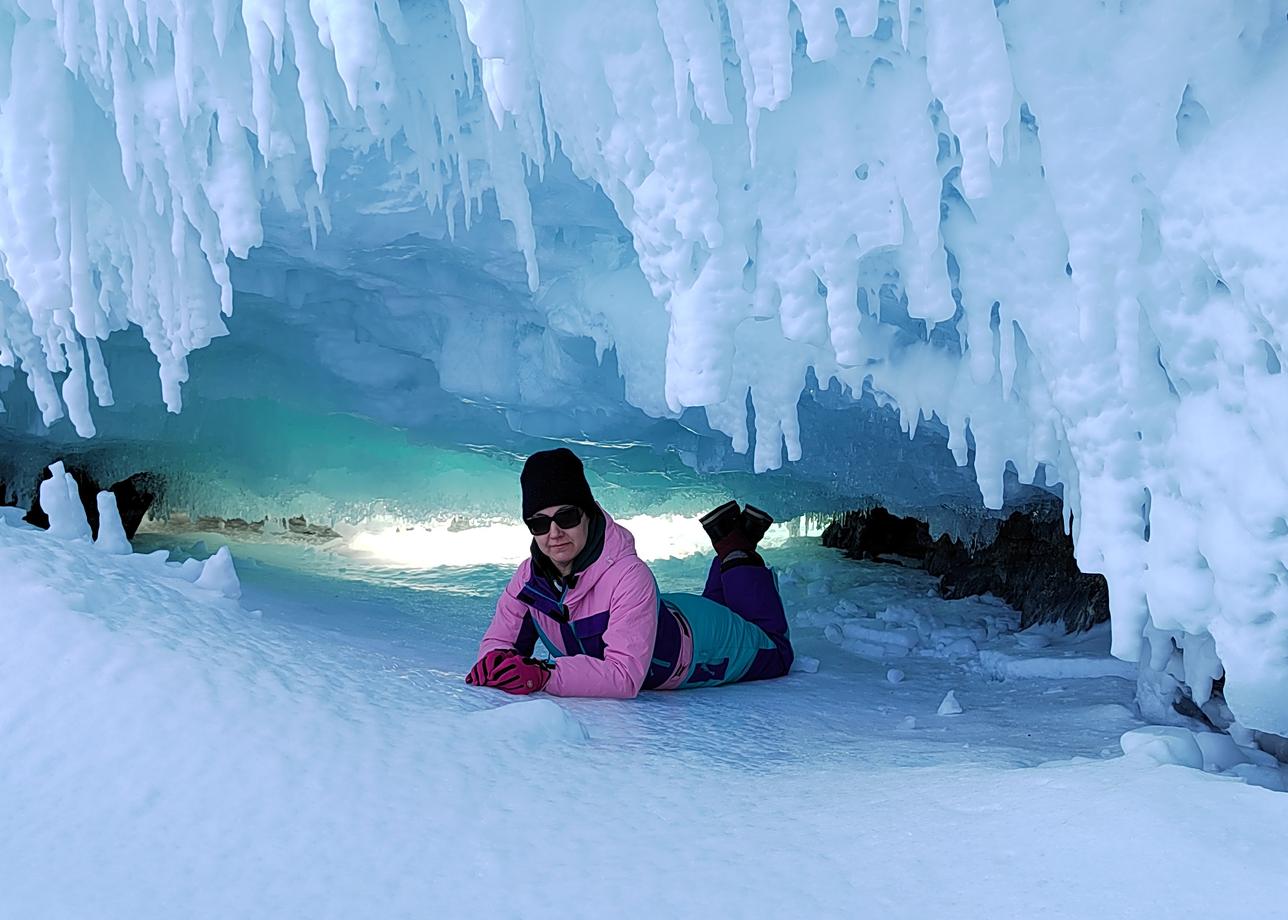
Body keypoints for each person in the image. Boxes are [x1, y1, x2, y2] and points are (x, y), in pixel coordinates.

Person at [465, 448, 794, 698]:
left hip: (702, 646)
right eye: (538, 523)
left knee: (775, 651)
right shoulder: (528, 580)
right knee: (723, 606)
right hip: (666, 615)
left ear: (589, 514)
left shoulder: (629, 576)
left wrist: (546, 674)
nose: (553, 532)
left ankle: (736, 547)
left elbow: (624, 676)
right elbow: (501, 643)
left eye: (565, 517)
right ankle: (732, 543)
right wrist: (494, 663)